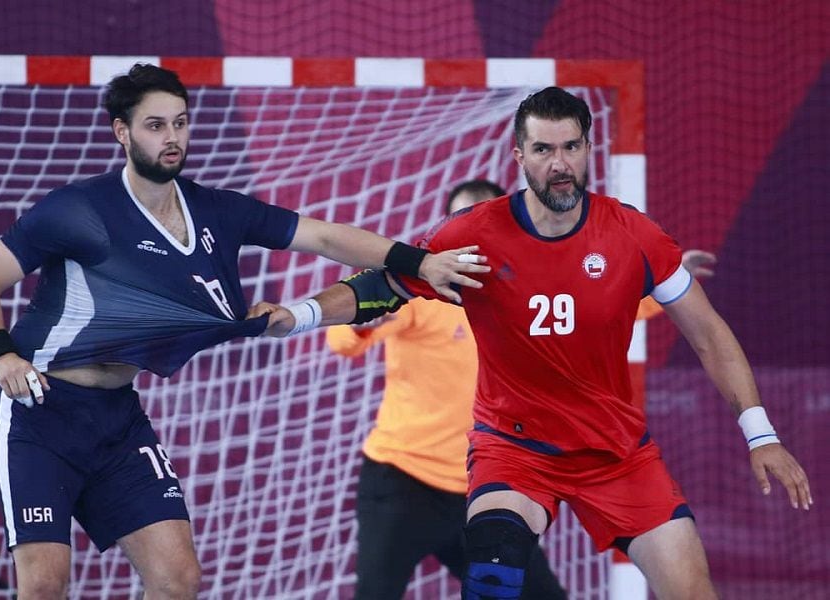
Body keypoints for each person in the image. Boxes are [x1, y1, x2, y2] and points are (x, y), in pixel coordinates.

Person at [0, 63, 488, 599]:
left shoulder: (215, 210)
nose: (172, 138)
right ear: (123, 132)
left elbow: (325, 238)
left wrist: (419, 263)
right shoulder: (77, 210)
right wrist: (3, 357)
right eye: (156, 125)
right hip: (39, 411)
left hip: (117, 416)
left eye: (181, 124)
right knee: (45, 586)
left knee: (178, 579)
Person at [259, 87, 812, 599]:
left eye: (571, 146)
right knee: (494, 573)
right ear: (519, 156)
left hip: (616, 453)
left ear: (589, 149)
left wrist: (760, 434)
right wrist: (298, 314)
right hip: (514, 451)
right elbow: (380, 286)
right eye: (544, 149)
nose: (560, 163)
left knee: (692, 592)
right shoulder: (473, 236)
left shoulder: (634, 237)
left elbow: (709, 333)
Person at [326, 180, 566, 600]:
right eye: (463, 219)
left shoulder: (536, 291)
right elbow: (343, 342)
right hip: (403, 482)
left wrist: (664, 285)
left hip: (485, 489)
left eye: (485, 216)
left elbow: (608, 304)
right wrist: (368, 320)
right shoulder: (419, 290)